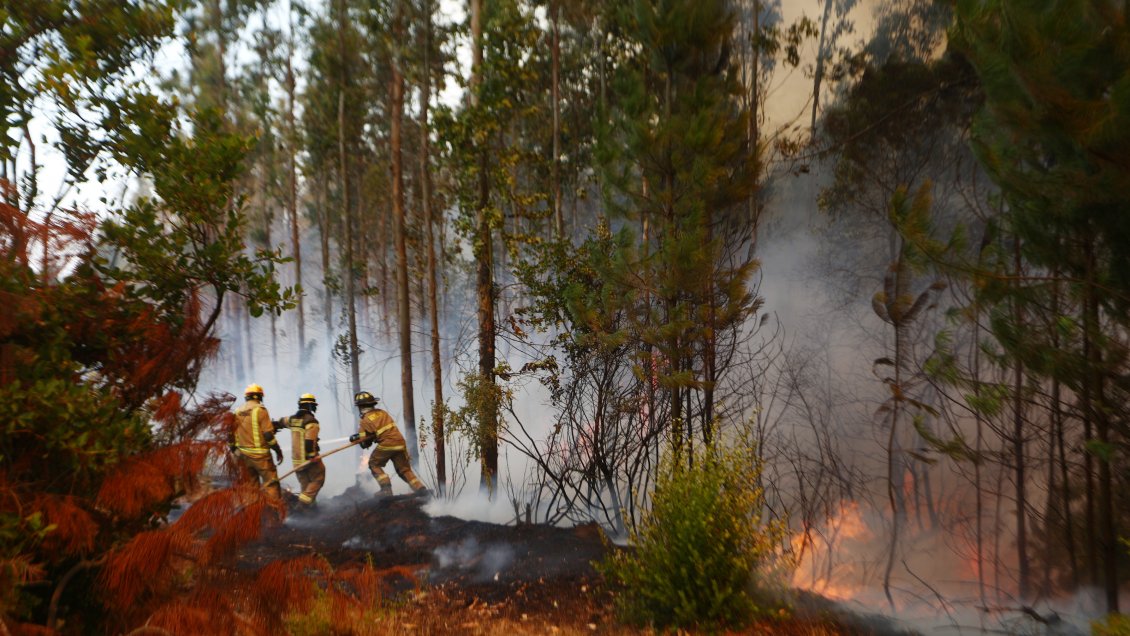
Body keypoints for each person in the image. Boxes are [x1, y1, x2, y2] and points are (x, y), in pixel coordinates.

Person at [349, 391, 429, 498]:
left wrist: (356, 438)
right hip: (400, 442)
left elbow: (364, 443)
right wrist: (371, 435)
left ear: (360, 407)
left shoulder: (364, 420)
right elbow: (381, 429)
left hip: (387, 444)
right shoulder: (383, 413)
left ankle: (386, 490)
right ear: (372, 404)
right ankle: (420, 488)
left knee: (374, 464)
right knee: (404, 469)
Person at [230, 383, 283, 500]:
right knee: (271, 484)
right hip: (260, 457)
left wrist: (234, 449)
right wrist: (278, 451)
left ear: (246, 397)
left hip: (243, 456)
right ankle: (273, 513)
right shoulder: (260, 410)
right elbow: (268, 435)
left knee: (251, 486)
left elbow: (231, 434)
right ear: (259, 396)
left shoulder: (237, 412)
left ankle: (253, 513)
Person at [275, 393, 326, 510]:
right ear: (309, 405)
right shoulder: (311, 421)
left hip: (296, 461)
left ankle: (311, 509)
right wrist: (312, 456)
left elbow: (282, 421)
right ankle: (301, 505)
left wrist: (274, 425)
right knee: (318, 478)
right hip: (308, 459)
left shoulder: (293, 419)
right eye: (313, 405)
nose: (315, 408)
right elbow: (309, 442)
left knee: (305, 485)